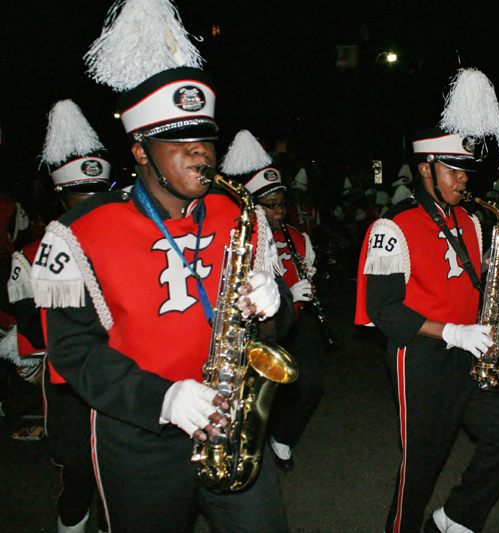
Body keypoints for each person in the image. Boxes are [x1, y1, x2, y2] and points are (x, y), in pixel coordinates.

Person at [31, 3, 293, 532]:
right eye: (178, 140)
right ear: (142, 152)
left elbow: (277, 329)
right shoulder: (76, 234)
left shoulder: (240, 215)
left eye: (205, 138)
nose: (200, 154)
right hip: (138, 442)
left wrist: (275, 302)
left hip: (233, 424)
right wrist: (163, 396)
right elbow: (73, 353)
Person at [356, 123, 499, 532]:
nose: (464, 178)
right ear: (426, 169)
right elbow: (383, 310)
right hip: (422, 356)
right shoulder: (393, 225)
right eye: (454, 169)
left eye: (466, 169)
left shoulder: (470, 219)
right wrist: (451, 332)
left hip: (470, 350)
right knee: (422, 465)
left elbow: (472, 281)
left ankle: (454, 516)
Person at [8, 99, 114, 533]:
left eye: (96, 197)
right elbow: (31, 323)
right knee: (78, 472)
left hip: (124, 371)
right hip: (69, 383)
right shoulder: (31, 255)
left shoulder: (131, 242)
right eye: (79, 198)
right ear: (62, 197)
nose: (88, 208)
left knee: (120, 473)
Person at [222, 130, 325, 473]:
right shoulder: (238, 238)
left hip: (296, 320)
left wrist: (302, 294)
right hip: (257, 329)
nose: (281, 212)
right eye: (273, 206)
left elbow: (305, 270)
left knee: (310, 384)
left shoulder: (297, 237)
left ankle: (282, 436)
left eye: (283, 204)